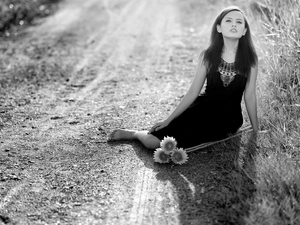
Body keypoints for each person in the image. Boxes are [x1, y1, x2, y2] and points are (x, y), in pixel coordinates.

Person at [107, 6, 259, 150]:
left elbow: (250, 96)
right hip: (201, 112)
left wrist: (255, 129)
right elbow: (193, 92)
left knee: (177, 144)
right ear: (219, 28)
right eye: (228, 20)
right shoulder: (208, 56)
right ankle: (135, 133)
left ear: (244, 30)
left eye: (239, 22)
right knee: (153, 143)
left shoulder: (250, 59)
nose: (234, 24)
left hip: (228, 121)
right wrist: (168, 120)